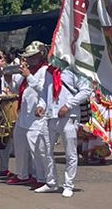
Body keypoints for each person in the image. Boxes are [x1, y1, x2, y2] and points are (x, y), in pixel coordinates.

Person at [30, 54, 92, 198]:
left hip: (68, 116)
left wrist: (68, 105)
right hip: (50, 115)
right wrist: (41, 105)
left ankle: (68, 184)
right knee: (45, 149)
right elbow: (45, 92)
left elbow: (86, 91)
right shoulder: (49, 71)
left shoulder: (74, 70)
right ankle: (51, 181)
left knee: (70, 151)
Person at [9, 43, 49, 186]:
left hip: (36, 115)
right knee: (20, 146)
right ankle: (22, 174)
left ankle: (41, 177)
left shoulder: (45, 70)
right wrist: (9, 78)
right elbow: (16, 89)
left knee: (37, 148)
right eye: (28, 57)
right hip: (23, 114)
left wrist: (29, 76)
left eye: (32, 57)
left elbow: (42, 89)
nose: (30, 60)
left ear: (40, 55)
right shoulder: (28, 71)